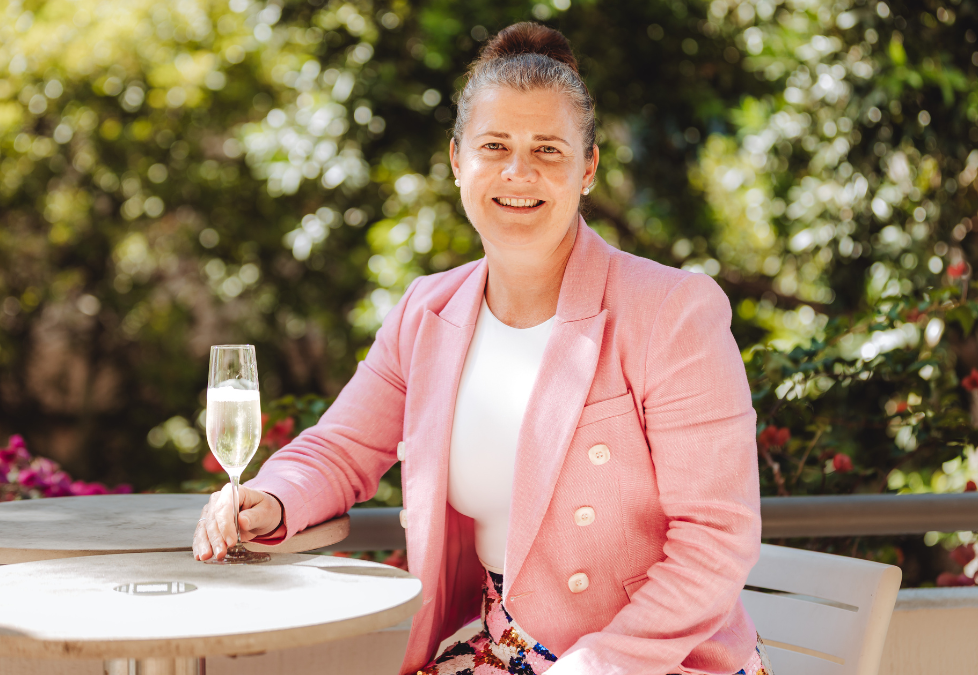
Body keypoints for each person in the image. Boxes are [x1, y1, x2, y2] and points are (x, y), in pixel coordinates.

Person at [193, 22, 771, 675]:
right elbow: (341, 448)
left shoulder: (671, 310)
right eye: (494, 145)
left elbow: (715, 539)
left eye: (548, 149)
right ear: (457, 161)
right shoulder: (427, 311)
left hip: (652, 657)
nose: (518, 172)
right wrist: (269, 500)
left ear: (588, 168)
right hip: (504, 647)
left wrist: (595, 666)